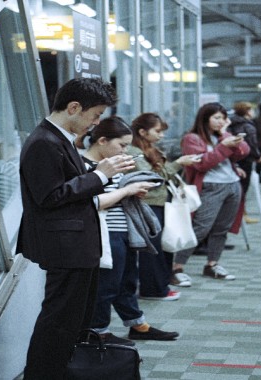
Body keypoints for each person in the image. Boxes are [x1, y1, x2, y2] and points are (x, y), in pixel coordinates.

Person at [17, 78, 133, 380]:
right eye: (95, 115)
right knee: (58, 322)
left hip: (74, 246)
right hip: (64, 247)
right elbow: (50, 196)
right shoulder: (44, 141)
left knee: (70, 322)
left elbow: (65, 187)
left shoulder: (57, 138)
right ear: (73, 107)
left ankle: (57, 372)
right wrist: (100, 176)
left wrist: (97, 173)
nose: (95, 124)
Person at [83, 116, 179, 344]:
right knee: (106, 285)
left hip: (122, 230)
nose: (125, 150)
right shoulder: (86, 165)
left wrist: (131, 190)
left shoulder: (111, 163)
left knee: (127, 281)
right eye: (122, 145)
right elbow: (92, 202)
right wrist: (128, 191)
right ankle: (99, 331)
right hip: (104, 233)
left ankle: (137, 324)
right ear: (103, 141)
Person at [173, 103, 249, 281]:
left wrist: (224, 135)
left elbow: (244, 152)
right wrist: (224, 146)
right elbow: (201, 163)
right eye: (216, 118)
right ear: (204, 118)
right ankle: (176, 267)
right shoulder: (192, 138)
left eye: (223, 118)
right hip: (210, 187)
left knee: (221, 229)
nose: (220, 121)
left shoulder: (223, 135)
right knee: (200, 228)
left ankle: (212, 264)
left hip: (232, 185)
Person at [129, 113, 200, 290]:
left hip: (160, 202)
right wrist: (179, 163)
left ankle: (161, 285)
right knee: (153, 248)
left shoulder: (150, 148)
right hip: (148, 203)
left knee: (163, 245)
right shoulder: (134, 152)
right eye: (158, 131)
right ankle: (154, 289)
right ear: (142, 132)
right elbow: (152, 178)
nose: (162, 135)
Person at [228, 101, 261, 224]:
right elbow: (252, 143)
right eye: (251, 110)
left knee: (238, 187)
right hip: (246, 158)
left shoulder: (231, 123)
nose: (253, 112)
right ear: (247, 111)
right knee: (243, 188)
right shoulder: (247, 125)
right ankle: (242, 214)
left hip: (233, 158)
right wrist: (257, 156)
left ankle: (239, 214)